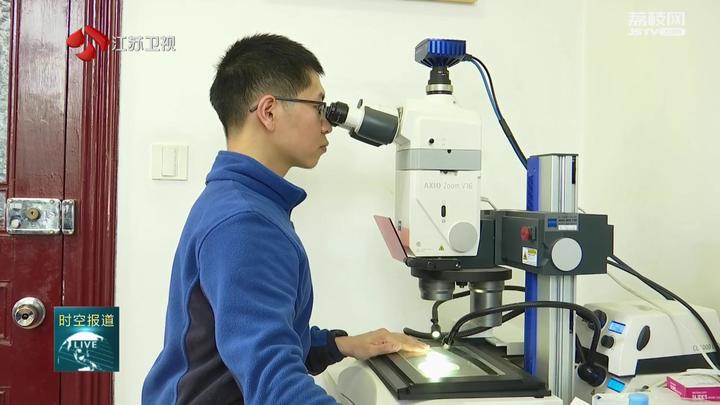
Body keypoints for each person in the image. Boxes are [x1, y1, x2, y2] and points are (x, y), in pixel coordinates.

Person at [142, 34, 429, 405]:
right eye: (319, 107)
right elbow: (272, 380)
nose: (328, 125)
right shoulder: (245, 222)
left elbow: (252, 334)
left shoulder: (240, 201)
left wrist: (342, 345)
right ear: (269, 111)